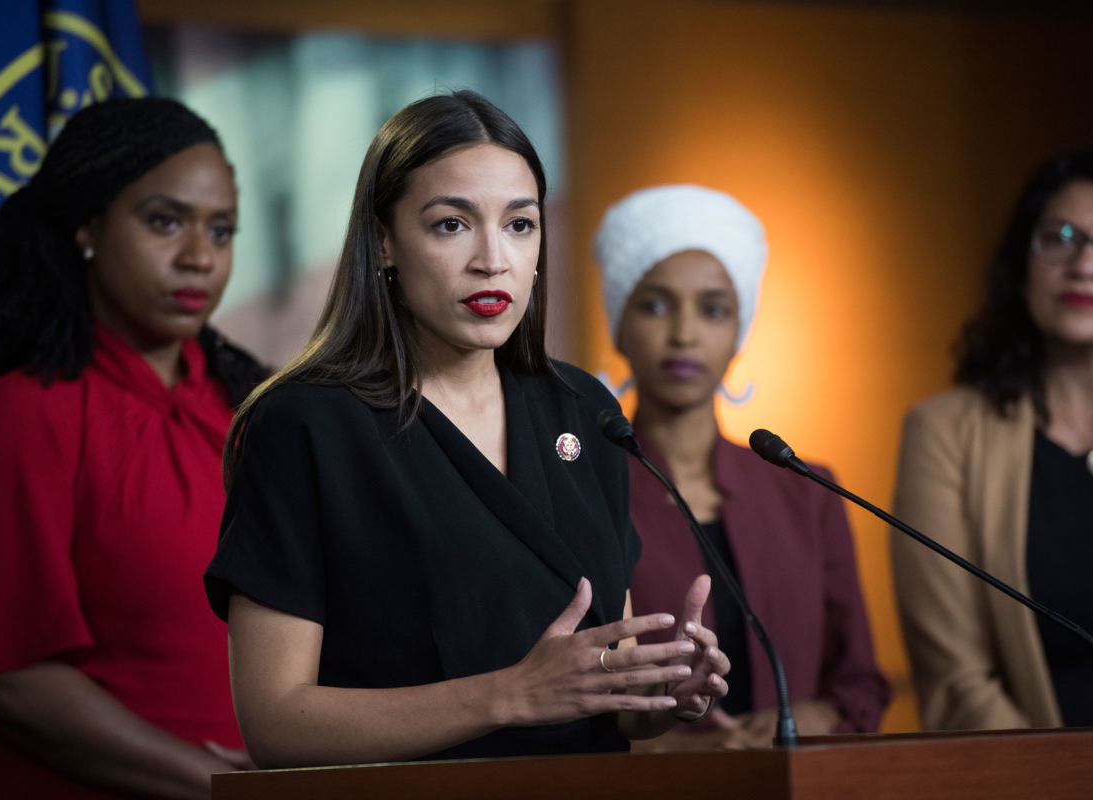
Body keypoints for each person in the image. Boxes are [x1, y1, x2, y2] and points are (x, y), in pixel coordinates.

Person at [203, 91, 730, 767]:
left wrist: (659, 692)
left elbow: (605, 702)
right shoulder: (305, 423)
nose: (493, 259)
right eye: (452, 225)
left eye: (520, 225)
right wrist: (509, 695)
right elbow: (276, 724)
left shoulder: (584, 409)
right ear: (385, 241)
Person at [0, 97, 266, 799]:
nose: (199, 257)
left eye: (221, 231)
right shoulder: (21, 414)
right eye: (165, 221)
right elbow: (11, 682)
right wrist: (221, 786)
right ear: (89, 227)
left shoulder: (261, 408)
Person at [592, 184, 889, 750]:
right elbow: (573, 701)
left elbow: (860, 684)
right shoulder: (587, 491)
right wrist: (681, 749)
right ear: (618, 323)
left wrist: (796, 724)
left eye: (713, 308)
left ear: (739, 328)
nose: (684, 333)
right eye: (655, 304)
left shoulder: (807, 489)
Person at [891, 142, 1093, 731]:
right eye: (1061, 237)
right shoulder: (943, 434)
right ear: (1021, 267)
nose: (1086, 266)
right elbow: (957, 679)